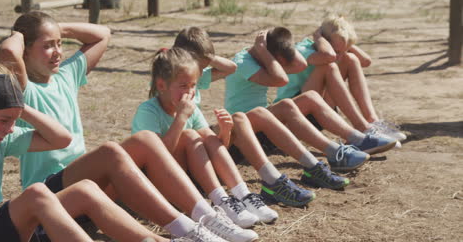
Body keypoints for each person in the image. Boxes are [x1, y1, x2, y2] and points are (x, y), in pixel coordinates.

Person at [0, 11, 251, 242]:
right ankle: (189, 230)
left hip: (86, 182)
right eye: (46, 46)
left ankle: (204, 219)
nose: (57, 52)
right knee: (110, 150)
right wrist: (21, 33)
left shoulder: (66, 74)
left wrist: (55, 29)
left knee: (145, 140)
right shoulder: (21, 89)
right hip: (53, 186)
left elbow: (102, 35)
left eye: (59, 44)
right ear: (26, 52)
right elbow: (8, 54)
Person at [173, 27, 349, 205]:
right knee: (245, 117)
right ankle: (274, 182)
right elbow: (273, 77)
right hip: (191, 158)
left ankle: (307, 169)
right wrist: (262, 51)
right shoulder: (170, 81)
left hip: (209, 145)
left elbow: (229, 68)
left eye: (201, 69)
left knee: (259, 112)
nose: (196, 78)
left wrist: (206, 57)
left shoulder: (192, 78)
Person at [0, 71, 171, 242]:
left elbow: (61, 139)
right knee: (36, 194)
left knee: (84, 189)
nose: (10, 128)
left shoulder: (4, 139)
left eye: (14, 120)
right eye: (4, 120)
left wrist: (17, 105)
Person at [132, 46, 273, 236]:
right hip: (158, 184)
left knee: (207, 137)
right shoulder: (148, 111)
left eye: (193, 85)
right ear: (161, 85)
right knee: (190, 135)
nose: (189, 92)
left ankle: (240, 197)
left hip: (188, 179)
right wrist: (181, 118)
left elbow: (216, 147)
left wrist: (225, 131)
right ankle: (219, 204)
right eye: (183, 86)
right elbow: (157, 157)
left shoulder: (191, 108)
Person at [224, 27, 397, 172]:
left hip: (264, 122)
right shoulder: (243, 62)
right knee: (285, 105)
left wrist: (266, 50)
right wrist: (264, 52)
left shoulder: (262, 56)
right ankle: (336, 153)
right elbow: (281, 79)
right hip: (246, 129)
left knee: (311, 97)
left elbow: (301, 65)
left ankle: (358, 139)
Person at [300, 14, 406, 142]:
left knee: (351, 59)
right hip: (302, 112)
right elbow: (329, 56)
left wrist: (346, 44)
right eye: (337, 51)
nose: (339, 56)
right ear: (323, 40)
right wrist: (318, 37)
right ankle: (362, 128)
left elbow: (366, 61)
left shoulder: (335, 52)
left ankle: (371, 120)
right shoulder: (304, 50)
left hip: (324, 109)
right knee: (328, 66)